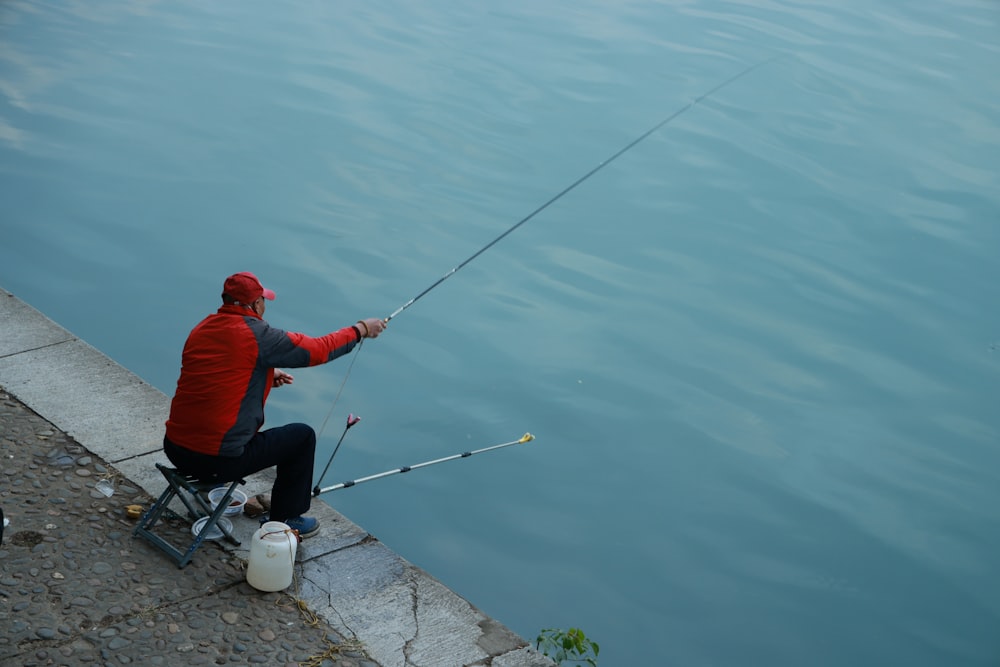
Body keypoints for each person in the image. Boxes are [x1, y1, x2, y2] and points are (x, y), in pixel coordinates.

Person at [163, 271, 385, 538]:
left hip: (175, 449)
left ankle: (209, 491)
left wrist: (266, 373)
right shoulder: (258, 335)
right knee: (301, 437)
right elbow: (317, 350)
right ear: (256, 304)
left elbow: (218, 375)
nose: (265, 306)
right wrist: (360, 329)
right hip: (216, 461)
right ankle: (286, 519)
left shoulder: (202, 328)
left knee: (215, 425)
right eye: (263, 301)